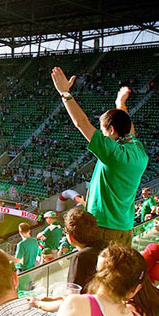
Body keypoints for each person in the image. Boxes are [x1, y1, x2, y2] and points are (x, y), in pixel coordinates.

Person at [52, 69, 148, 246]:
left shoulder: (113, 153)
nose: (102, 135)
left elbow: (81, 123)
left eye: (103, 131)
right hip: (125, 226)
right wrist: (120, 105)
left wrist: (64, 93)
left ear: (111, 130)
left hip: (104, 228)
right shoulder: (138, 150)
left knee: (101, 271)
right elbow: (129, 131)